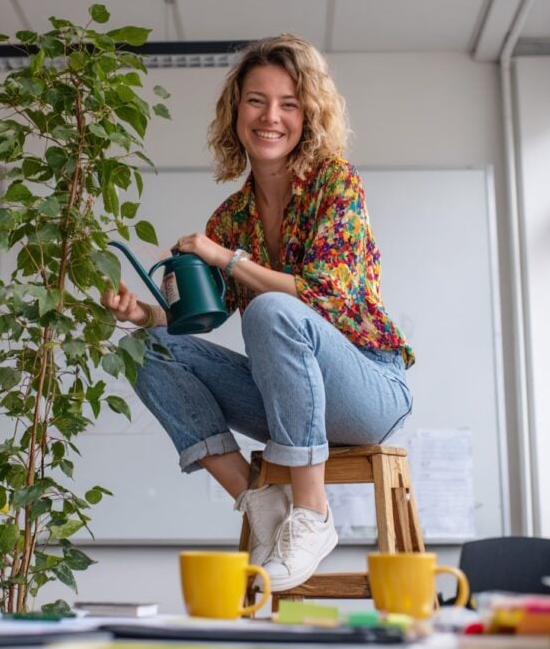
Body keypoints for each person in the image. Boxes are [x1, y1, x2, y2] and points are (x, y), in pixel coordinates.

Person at [101, 33, 414, 591]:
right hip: (287, 397)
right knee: (141, 351)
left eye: (289, 104)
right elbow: (204, 316)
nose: (271, 117)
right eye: (257, 100)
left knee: (271, 310)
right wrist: (145, 314)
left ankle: (312, 516)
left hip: (368, 390)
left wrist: (227, 257)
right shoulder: (232, 214)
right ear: (236, 111)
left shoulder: (334, 183)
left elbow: (324, 294)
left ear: (308, 116)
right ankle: (257, 497)